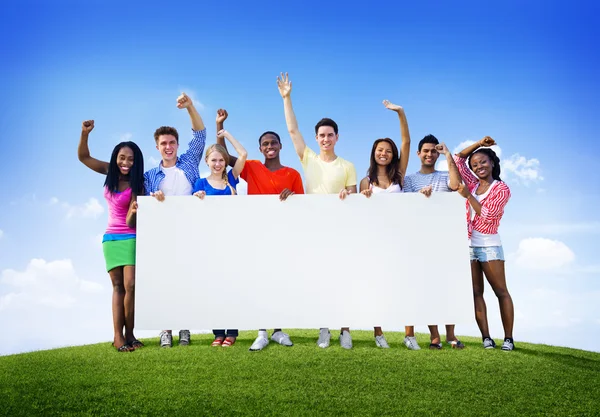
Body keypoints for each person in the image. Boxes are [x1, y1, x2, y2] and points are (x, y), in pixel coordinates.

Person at [277, 72, 357, 349]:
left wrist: (348, 193)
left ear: (337, 137)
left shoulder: (347, 165)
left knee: (343, 278)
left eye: (329, 135)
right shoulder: (308, 158)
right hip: (315, 227)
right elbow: (292, 131)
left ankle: (345, 330)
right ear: (317, 138)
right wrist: (287, 98)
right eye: (321, 135)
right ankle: (325, 329)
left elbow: (354, 196)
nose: (325, 139)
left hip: (340, 228)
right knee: (322, 279)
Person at [215, 109, 304, 351]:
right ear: (260, 148)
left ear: (280, 145)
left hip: (282, 235)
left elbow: (303, 206)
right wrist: (219, 126)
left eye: (273, 142)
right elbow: (223, 156)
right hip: (257, 234)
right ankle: (262, 331)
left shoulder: (293, 174)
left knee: (279, 281)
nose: (270, 146)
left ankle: (278, 331)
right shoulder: (251, 167)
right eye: (265, 144)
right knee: (261, 280)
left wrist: (293, 196)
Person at [144, 92, 206, 348]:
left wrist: (190, 106)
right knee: (164, 280)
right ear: (157, 146)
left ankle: (184, 328)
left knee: (186, 279)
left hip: (189, 230)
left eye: (172, 142)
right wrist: (152, 196)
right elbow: (143, 205)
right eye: (163, 143)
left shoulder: (189, 163)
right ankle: (165, 330)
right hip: (162, 234)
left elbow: (201, 135)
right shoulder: (149, 175)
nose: (168, 146)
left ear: (177, 145)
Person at [77, 120, 145, 352]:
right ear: (116, 157)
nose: (126, 163)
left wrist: (134, 211)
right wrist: (85, 134)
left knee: (131, 285)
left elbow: (131, 222)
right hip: (110, 238)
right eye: (122, 158)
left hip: (131, 237)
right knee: (117, 287)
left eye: (131, 159)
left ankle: (130, 333)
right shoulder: (108, 171)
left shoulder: (138, 184)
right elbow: (84, 158)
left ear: (136, 162)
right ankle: (118, 337)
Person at [401, 134, 464, 350]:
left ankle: (451, 335)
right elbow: (407, 207)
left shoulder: (446, 175)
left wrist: (448, 154)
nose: (429, 154)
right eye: (426, 151)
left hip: (445, 239)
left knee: (447, 287)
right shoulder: (409, 180)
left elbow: (456, 186)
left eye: (433, 151)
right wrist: (420, 196)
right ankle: (434, 336)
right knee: (429, 288)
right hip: (421, 240)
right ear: (418, 153)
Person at [359, 100, 411, 349]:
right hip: (373, 241)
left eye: (388, 150)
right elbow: (360, 212)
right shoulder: (365, 181)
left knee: (403, 284)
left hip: (399, 238)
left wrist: (400, 113)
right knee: (377, 286)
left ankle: (409, 334)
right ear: (374, 153)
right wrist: (363, 197)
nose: (384, 153)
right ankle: (378, 333)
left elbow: (406, 143)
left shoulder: (398, 176)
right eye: (380, 149)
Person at [455, 137, 515, 351]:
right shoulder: (472, 184)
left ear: (492, 163)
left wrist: (468, 196)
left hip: (489, 245)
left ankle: (508, 339)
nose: (479, 167)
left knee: (500, 291)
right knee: (476, 292)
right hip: (469, 245)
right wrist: (480, 142)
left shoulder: (501, 189)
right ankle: (486, 338)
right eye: (475, 165)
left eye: (483, 162)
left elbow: (488, 217)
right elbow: (458, 159)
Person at [193, 129, 248, 347]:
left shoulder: (232, 180)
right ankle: (218, 333)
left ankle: (232, 333)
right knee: (214, 287)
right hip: (210, 242)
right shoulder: (200, 184)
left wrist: (226, 134)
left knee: (232, 286)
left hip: (232, 240)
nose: (218, 164)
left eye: (221, 160)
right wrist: (197, 199)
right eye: (214, 160)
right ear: (207, 161)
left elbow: (242, 155)